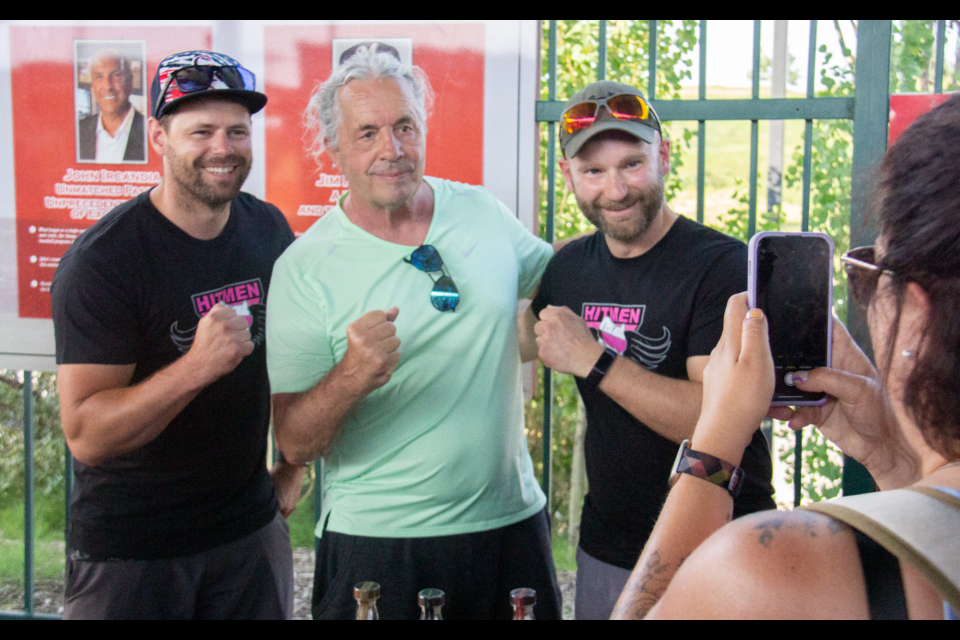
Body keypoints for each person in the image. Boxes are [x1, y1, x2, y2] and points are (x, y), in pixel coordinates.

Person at [611, 93, 960, 620]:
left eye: (870, 275)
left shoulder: (778, 569)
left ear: (919, 312)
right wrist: (897, 460)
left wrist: (717, 441)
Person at [266, 46, 563, 620]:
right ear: (333, 149)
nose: (392, 150)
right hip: (379, 543)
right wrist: (351, 376)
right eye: (368, 133)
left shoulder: (481, 211)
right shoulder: (306, 266)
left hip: (510, 523)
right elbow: (296, 442)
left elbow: (564, 286)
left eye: (405, 126)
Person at [52, 50, 301, 620]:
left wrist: (293, 465)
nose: (224, 147)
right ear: (160, 139)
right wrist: (195, 367)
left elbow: (299, 351)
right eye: (202, 131)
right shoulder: (104, 262)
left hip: (247, 534)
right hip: (134, 553)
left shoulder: (267, 228)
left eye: (238, 131)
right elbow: (86, 434)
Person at [521, 80, 775, 620]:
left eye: (631, 164)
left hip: (721, 539)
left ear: (662, 156)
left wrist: (593, 360)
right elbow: (513, 339)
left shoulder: (720, 267)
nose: (614, 190)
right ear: (569, 179)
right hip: (609, 547)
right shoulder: (569, 268)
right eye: (593, 172)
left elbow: (717, 415)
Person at [78, 48, 147, 163]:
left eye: (116, 75)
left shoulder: (149, 132)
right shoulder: (79, 131)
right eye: (99, 76)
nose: (107, 86)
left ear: (130, 81)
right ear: (93, 85)